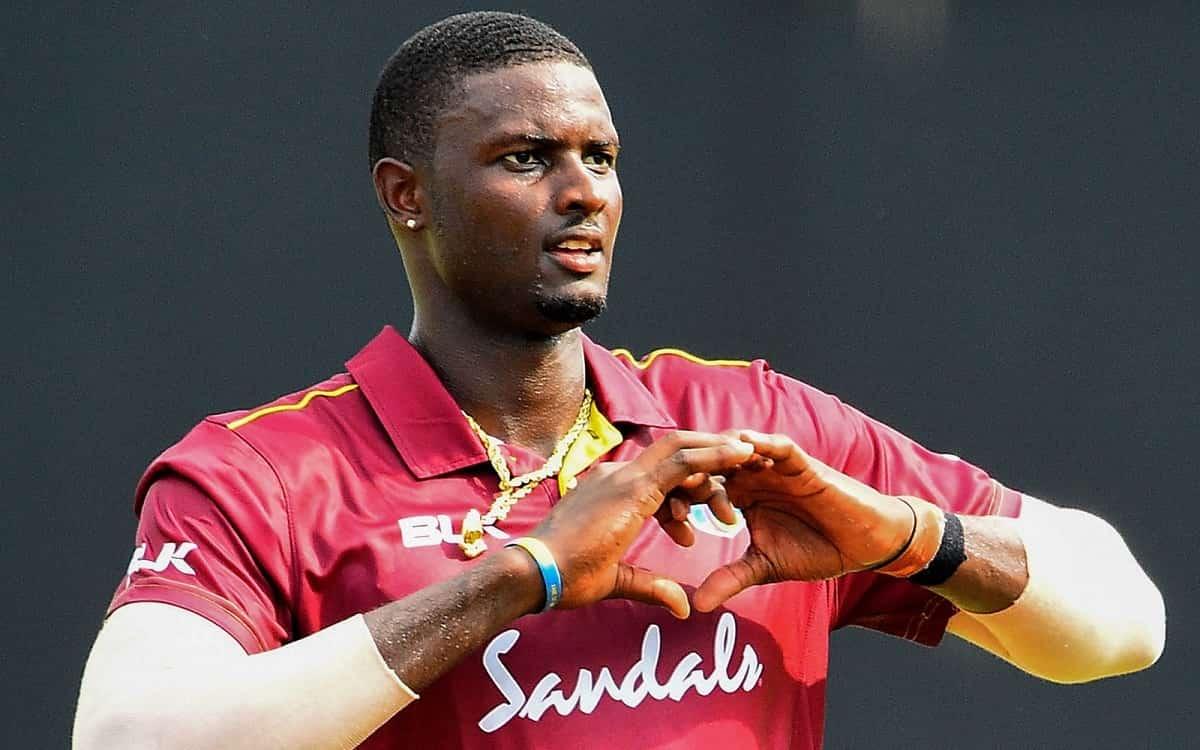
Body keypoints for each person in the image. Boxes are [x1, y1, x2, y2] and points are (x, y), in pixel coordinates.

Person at [72, 11, 1164, 750]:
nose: (584, 191)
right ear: (407, 195)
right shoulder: (262, 474)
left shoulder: (748, 424)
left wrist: (908, 536)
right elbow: (131, 738)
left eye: (601, 158)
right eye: (527, 158)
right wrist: (525, 575)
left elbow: (1125, 627)